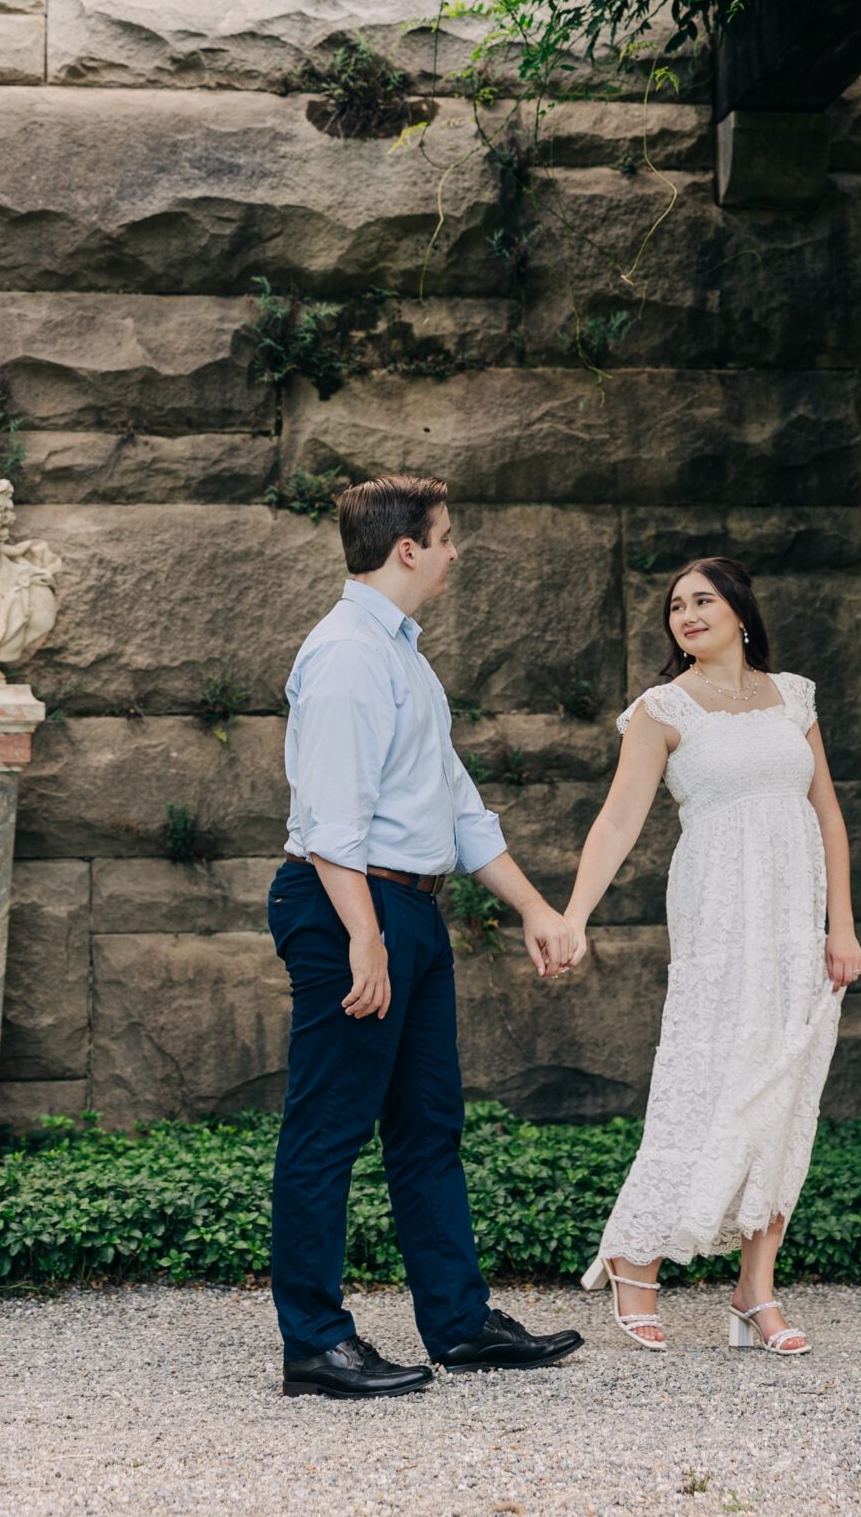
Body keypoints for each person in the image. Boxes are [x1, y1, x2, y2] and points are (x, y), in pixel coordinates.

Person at [268, 471, 585, 1399]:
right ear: (407, 548)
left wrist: (533, 906)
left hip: (407, 907)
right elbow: (330, 819)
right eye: (447, 536)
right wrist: (362, 935)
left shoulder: (403, 657)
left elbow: (455, 806)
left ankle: (456, 1323)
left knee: (427, 1127)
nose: (456, 551)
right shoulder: (344, 657)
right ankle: (315, 1344)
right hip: (349, 908)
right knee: (328, 1130)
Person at [560, 556, 861, 1357]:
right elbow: (618, 821)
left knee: (787, 1087)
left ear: (738, 612)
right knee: (704, 1078)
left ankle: (753, 1290)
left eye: (702, 600)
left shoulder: (792, 696)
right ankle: (634, 1258)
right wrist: (574, 914)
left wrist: (842, 926)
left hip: (795, 921)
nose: (686, 614)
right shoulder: (661, 708)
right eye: (674, 607)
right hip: (719, 915)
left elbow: (826, 815)